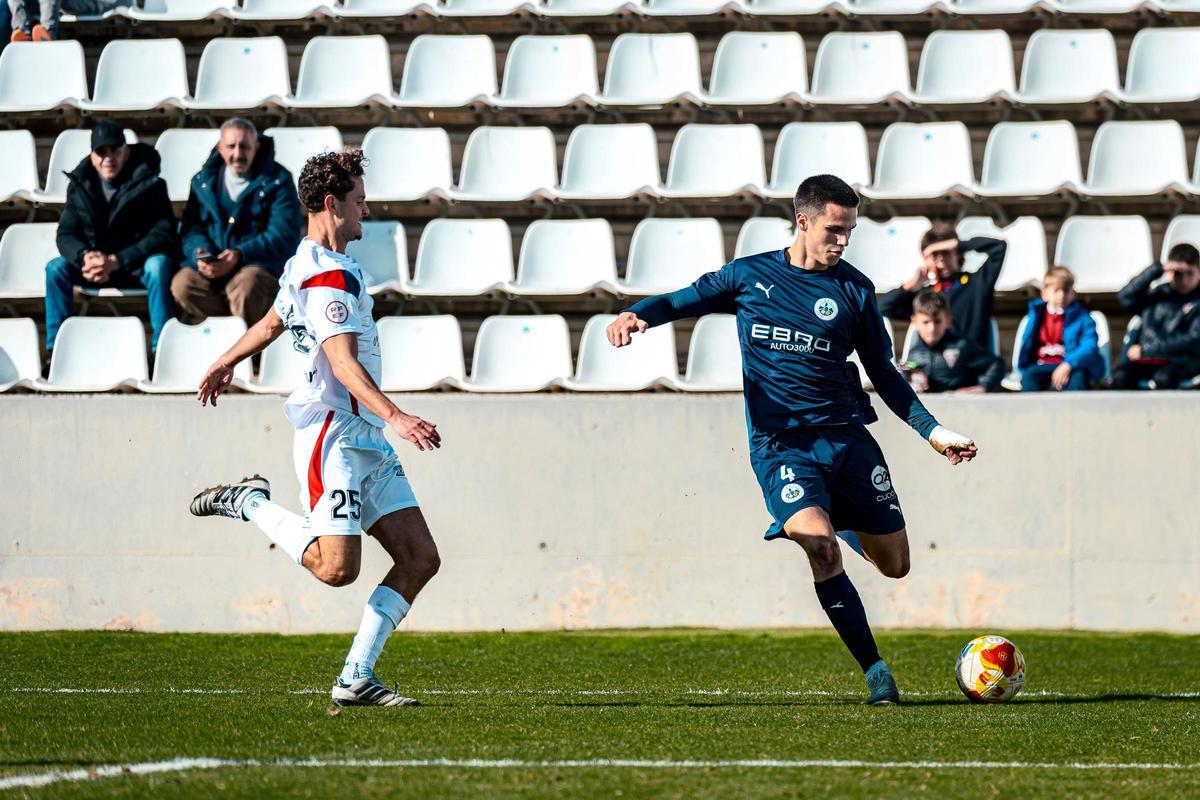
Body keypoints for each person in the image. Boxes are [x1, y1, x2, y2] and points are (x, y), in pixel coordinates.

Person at [606, 174, 978, 705]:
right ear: (803, 220)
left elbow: (887, 374)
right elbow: (680, 300)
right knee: (820, 548)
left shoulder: (854, 289)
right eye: (835, 229)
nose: (843, 240)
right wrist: (636, 315)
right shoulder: (750, 277)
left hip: (848, 442)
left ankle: (840, 522)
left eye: (850, 231)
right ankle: (875, 671)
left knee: (896, 565)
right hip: (781, 447)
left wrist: (934, 433)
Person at [189, 150, 443, 708]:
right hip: (335, 435)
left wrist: (225, 359)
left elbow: (273, 321)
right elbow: (342, 363)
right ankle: (250, 503)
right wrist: (397, 416)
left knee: (420, 557)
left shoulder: (305, 260)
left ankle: (355, 678)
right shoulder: (327, 273)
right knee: (336, 569)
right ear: (332, 204)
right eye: (358, 201)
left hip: (363, 437)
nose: (366, 211)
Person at [45, 120, 176, 352]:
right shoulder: (79, 185)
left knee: (159, 266)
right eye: (101, 152)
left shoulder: (151, 184)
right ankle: (56, 351)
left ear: (125, 150)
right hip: (94, 269)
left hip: (134, 265)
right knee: (56, 269)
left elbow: (163, 234)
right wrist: (85, 256)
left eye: (114, 150)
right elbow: (65, 233)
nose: (108, 158)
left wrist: (117, 260)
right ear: (93, 156)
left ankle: (163, 348)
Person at [172, 118, 303, 329]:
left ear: (257, 146)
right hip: (210, 268)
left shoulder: (278, 180)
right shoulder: (201, 181)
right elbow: (191, 228)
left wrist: (240, 254)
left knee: (247, 287)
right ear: (219, 148)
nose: (238, 154)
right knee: (182, 285)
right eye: (231, 146)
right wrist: (199, 254)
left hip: (258, 265)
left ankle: (240, 348)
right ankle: (239, 334)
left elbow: (283, 234)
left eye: (245, 146)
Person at [878, 222, 1007, 354]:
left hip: (972, 367)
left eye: (945, 252)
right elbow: (881, 307)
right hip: (937, 369)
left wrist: (957, 244)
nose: (940, 260)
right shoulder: (924, 297)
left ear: (957, 253)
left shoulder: (977, 284)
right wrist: (911, 285)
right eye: (934, 255)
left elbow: (998, 247)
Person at [1113, 243, 1200, 390]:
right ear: (1170, 272)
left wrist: (1147, 349)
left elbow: (1192, 339)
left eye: (1189, 273)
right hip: (1149, 360)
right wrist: (1157, 269)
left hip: (1182, 361)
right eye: (1179, 273)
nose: (1184, 280)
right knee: (1120, 376)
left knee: (1164, 378)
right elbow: (1125, 297)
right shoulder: (1159, 294)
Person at [1016, 266, 1105, 392]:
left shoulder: (1083, 318)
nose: (1061, 295)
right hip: (1042, 365)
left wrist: (1068, 365)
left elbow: (1089, 346)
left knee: (1078, 380)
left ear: (1073, 293)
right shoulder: (1036, 315)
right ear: (1044, 294)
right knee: (1030, 377)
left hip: (1073, 366)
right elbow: (1027, 343)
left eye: (1066, 290)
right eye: (1056, 290)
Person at [901, 290, 1003, 394]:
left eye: (937, 321)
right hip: (929, 405)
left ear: (948, 321)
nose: (932, 328)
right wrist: (913, 376)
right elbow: (907, 370)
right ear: (914, 322)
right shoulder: (914, 353)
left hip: (960, 405)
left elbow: (997, 364)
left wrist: (983, 387)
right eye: (925, 322)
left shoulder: (961, 346)